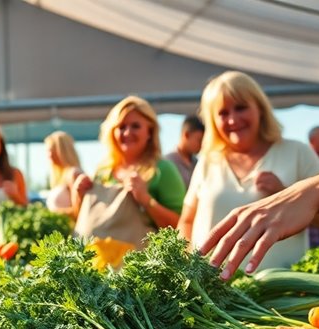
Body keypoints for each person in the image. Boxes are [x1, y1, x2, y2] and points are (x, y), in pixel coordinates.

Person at [177, 71, 319, 272]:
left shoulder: (297, 152)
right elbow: (187, 220)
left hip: (279, 295)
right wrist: (185, 265)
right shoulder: (208, 161)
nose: (233, 120)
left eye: (241, 108)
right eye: (223, 113)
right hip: (208, 295)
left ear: (260, 108)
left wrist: (287, 194)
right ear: (212, 121)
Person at [71, 95, 185, 248]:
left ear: (150, 131)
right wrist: (79, 196)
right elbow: (91, 220)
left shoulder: (163, 170)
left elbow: (182, 226)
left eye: (135, 126)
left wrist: (145, 200)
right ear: (112, 132)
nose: (127, 133)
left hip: (141, 269)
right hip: (99, 266)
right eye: (121, 127)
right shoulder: (103, 170)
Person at [43, 131, 83, 218]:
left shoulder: (74, 174)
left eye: (50, 150)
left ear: (61, 151)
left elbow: (81, 210)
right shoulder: (60, 176)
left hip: (71, 230)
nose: (48, 155)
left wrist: (53, 214)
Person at [164, 115, 205, 188]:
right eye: (199, 140)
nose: (201, 145)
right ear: (187, 135)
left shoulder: (198, 163)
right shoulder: (167, 162)